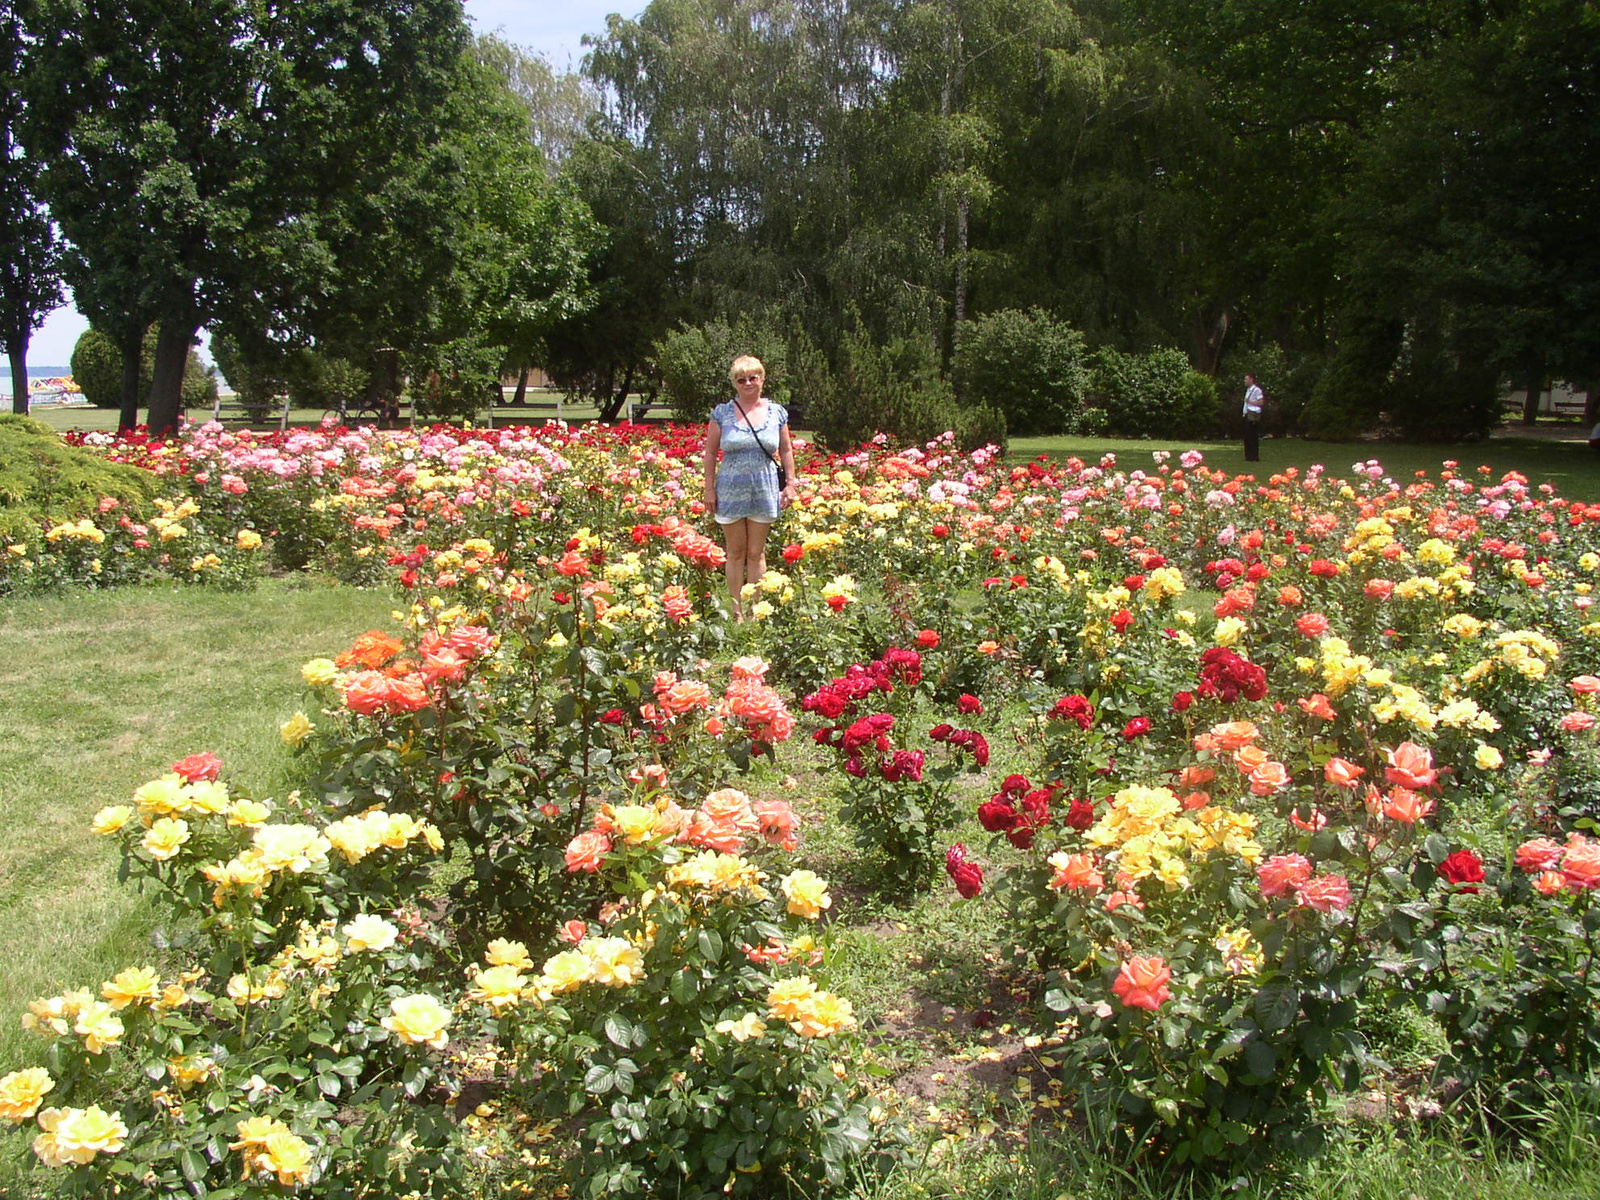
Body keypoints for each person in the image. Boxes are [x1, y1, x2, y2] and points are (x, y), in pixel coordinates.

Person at [702, 355, 798, 620]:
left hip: (764, 490)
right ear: (735, 383)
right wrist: (709, 489)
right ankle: (736, 612)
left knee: (756, 553)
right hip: (730, 491)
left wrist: (790, 484)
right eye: (741, 379)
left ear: (762, 379)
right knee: (735, 553)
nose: (748, 383)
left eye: (753, 378)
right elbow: (710, 453)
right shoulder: (722, 413)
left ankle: (756, 610)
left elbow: (787, 450)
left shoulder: (776, 413)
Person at [1241, 373, 1264, 462]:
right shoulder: (1248, 390)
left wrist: (1249, 401)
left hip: (1253, 416)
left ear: (1251, 379)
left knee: (1252, 436)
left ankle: (1254, 456)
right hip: (1247, 415)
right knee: (1247, 437)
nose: (1245, 381)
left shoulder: (1256, 390)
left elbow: (1261, 402)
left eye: (1246, 379)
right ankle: (1248, 456)